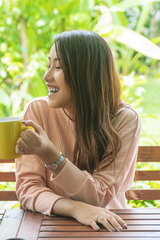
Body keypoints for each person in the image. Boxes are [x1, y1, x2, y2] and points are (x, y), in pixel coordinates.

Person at [15, 30, 142, 232]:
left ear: (86, 74)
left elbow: (100, 196)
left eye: (58, 67)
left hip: (106, 229)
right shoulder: (37, 111)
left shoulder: (124, 119)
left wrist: (51, 155)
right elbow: (28, 188)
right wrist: (75, 208)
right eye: (49, 65)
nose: (46, 76)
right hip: (49, 228)